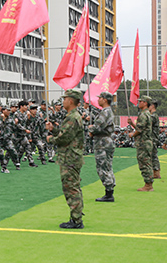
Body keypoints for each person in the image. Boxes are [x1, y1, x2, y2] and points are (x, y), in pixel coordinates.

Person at [45, 90, 85, 229]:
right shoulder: (72, 116)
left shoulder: (72, 117)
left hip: (70, 157)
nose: (63, 101)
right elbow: (66, 133)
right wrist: (54, 130)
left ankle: (76, 219)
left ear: (71, 101)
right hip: (71, 156)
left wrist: (51, 139)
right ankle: (76, 216)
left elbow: (65, 138)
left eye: (65, 99)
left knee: (71, 188)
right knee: (73, 186)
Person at [88, 92, 116, 202]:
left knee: (103, 167)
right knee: (107, 166)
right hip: (106, 141)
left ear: (104, 100)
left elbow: (98, 126)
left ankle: (109, 193)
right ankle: (109, 191)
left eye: (100, 98)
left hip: (102, 142)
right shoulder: (107, 111)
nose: (98, 100)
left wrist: (91, 129)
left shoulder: (105, 112)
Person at [127, 95, 154, 192]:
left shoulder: (143, 115)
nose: (139, 103)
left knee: (144, 163)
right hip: (146, 141)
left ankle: (148, 185)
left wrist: (132, 135)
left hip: (143, 142)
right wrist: (132, 124)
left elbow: (139, 130)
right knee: (146, 163)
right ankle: (149, 183)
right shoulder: (147, 114)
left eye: (141, 101)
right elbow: (141, 128)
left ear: (145, 103)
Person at [149, 100, 161, 178]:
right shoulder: (153, 115)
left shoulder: (153, 116)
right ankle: (154, 171)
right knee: (152, 155)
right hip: (152, 138)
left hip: (153, 138)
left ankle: (156, 172)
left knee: (153, 156)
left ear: (153, 106)